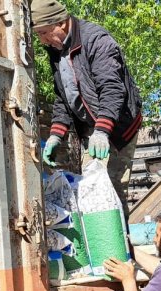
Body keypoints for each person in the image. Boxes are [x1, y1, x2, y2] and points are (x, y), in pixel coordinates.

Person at [30, 0, 142, 216]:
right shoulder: (56, 49)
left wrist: (102, 131)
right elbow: (64, 96)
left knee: (111, 192)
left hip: (118, 126)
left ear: (61, 23)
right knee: (91, 190)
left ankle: (120, 247)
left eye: (44, 33)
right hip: (93, 127)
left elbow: (112, 89)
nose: (42, 40)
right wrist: (55, 134)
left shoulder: (97, 41)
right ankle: (97, 246)